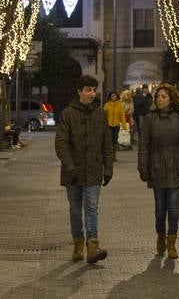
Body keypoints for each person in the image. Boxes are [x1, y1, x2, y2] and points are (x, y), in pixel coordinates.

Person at [55, 74, 114, 264]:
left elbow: (107, 143)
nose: (91, 93)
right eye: (88, 90)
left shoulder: (101, 114)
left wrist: (108, 168)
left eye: (93, 90)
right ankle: (78, 244)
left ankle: (93, 246)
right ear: (79, 91)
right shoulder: (67, 114)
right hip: (72, 171)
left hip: (94, 169)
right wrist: (69, 165)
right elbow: (61, 143)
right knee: (74, 209)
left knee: (91, 207)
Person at [137, 83, 179, 260]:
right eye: (158, 97)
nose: (159, 100)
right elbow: (144, 146)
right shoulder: (150, 119)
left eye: (163, 97)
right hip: (157, 167)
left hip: (177, 166)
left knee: (173, 207)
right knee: (159, 208)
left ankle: (172, 241)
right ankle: (160, 236)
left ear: (171, 99)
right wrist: (143, 167)